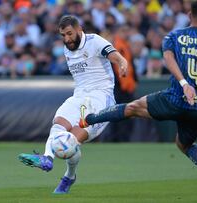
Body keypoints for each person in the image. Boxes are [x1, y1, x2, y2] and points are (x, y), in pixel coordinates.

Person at [79, 1, 197, 200]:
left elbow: (168, 59)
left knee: (132, 108)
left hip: (176, 98)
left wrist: (184, 83)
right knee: (184, 145)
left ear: (188, 15)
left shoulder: (175, 36)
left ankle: (87, 119)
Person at [18, 15, 127, 194]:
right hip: (79, 96)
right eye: (63, 35)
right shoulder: (67, 49)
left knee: (72, 141)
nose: (67, 38)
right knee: (58, 125)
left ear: (79, 29)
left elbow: (113, 54)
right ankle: (47, 159)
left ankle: (69, 176)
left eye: (69, 33)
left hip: (101, 99)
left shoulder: (94, 41)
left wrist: (122, 62)